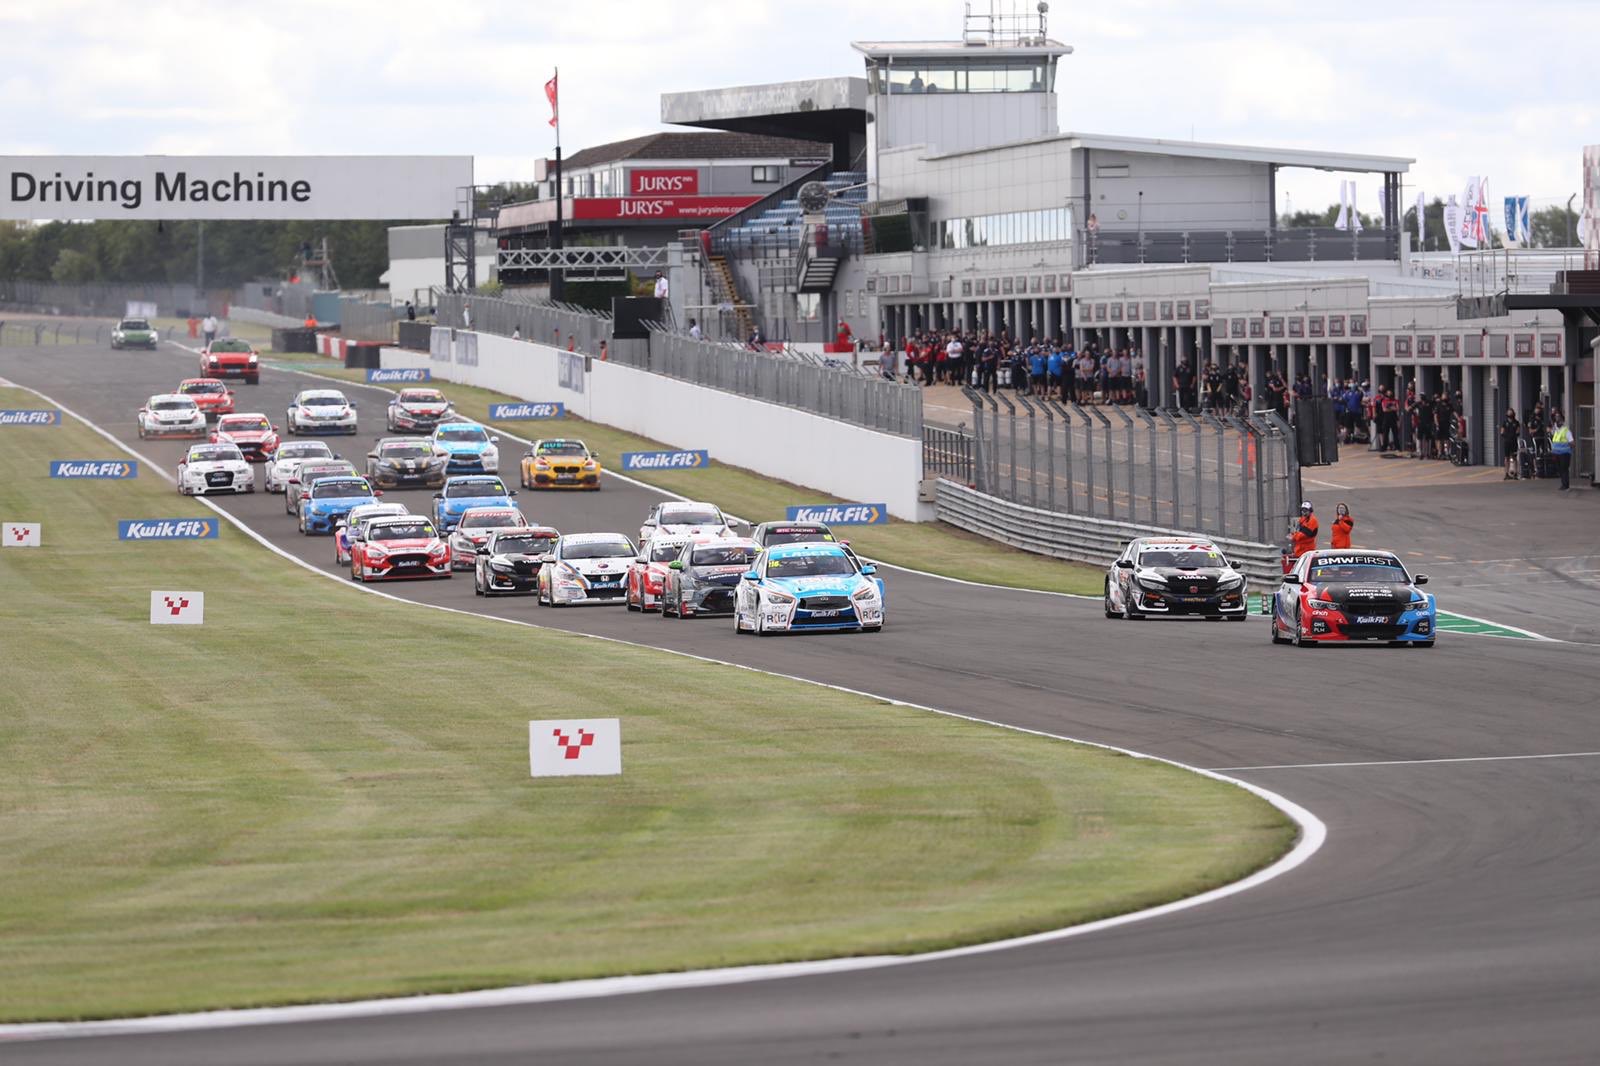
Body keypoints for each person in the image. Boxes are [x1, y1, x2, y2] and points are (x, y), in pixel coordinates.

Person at [1550, 410, 1574, 490]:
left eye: (1559, 418)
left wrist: (1567, 448)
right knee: (1560, 469)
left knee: (1564, 469)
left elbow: (1572, 443)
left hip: (1564, 454)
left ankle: (1565, 485)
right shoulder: (1556, 430)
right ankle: (1563, 484)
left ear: (1562, 421)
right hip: (1557, 453)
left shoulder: (1566, 431)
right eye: (1556, 418)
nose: (1557, 420)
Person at [1500, 408, 1521, 480]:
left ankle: (1515, 473)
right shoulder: (1505, 422)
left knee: (1514, 457)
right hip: (1507, 442)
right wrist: (1505, 435)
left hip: (1514, 442)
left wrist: (1514, 434)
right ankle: (1506, 473)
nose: (1509, 414)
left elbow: (1518, 431)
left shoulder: (1516, 422)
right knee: (1506, 458)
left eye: (1511, 412)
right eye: (1508, 412)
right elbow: (1502, 432)